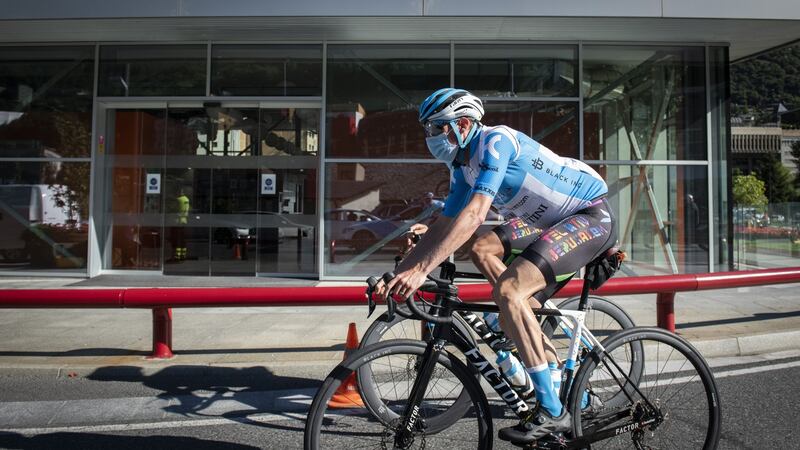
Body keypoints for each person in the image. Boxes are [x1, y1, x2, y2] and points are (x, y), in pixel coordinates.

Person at [377, 88, 617, 444]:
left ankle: (552, 411)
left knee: (509, 291)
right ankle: (522, 326)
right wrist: (399, 272)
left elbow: (474, 214)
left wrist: (421, 270)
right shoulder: (462, 167)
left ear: (462, 124)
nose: (430, 137)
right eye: (427, 129)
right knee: (487, 259)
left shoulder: (495, 141)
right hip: (549, 223)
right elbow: (446, 224)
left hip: (587, 215)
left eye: (435, 128)